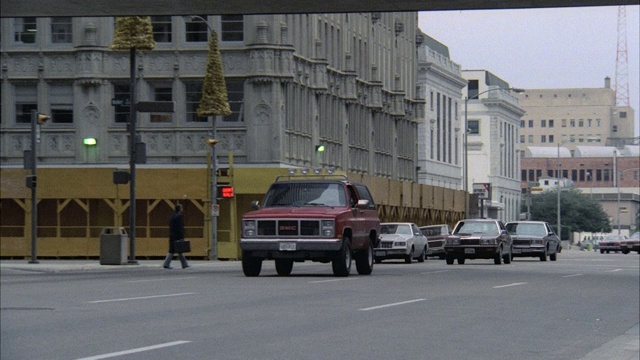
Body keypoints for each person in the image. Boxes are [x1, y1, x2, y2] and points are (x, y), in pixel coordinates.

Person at [163, 203, 190, 269]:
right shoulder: (179, 217)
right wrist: (182, 237)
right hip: (177, 236)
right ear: (180, 209)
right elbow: (180, 228)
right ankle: (183, 264)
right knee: (178, 251)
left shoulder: (171, 217)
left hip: (172, 236)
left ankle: (183, 264)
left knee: (172, 251)